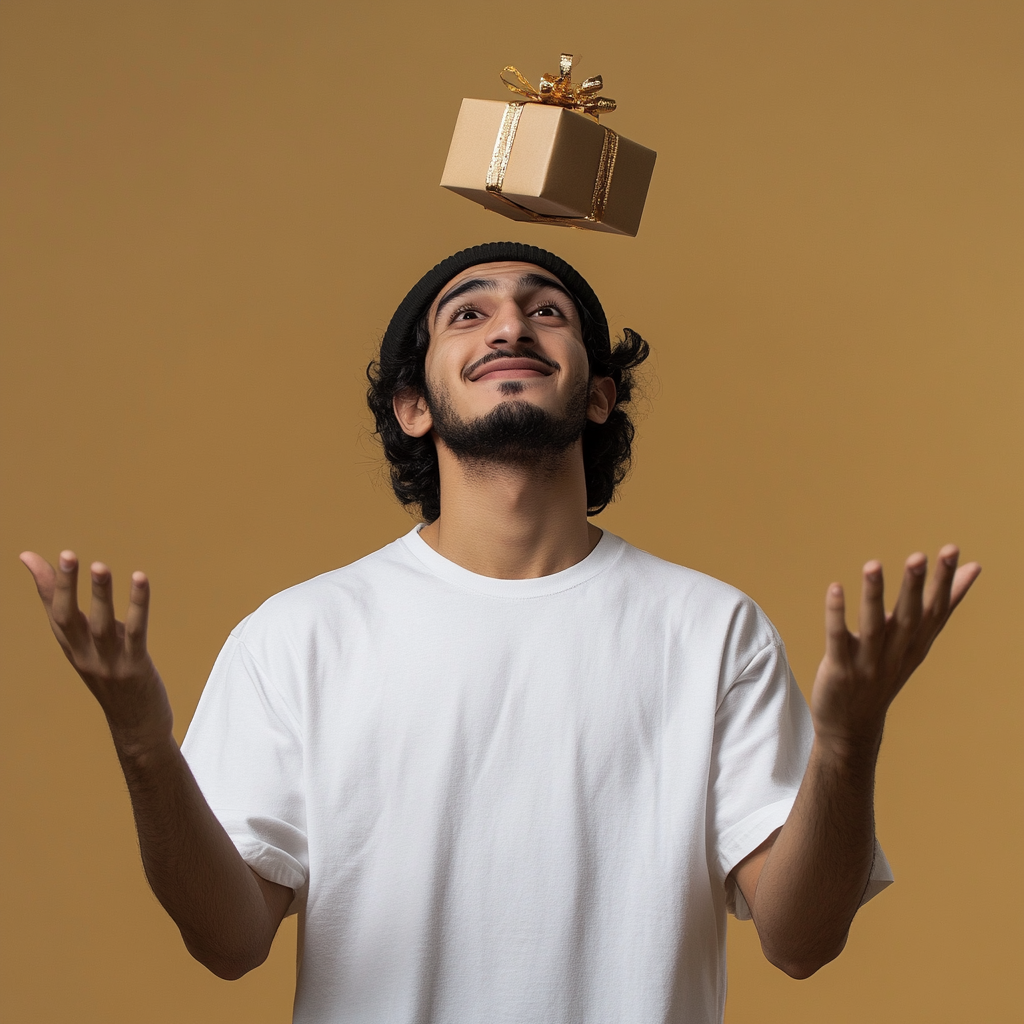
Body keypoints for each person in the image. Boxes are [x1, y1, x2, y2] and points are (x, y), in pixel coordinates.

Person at [21, 241, 980, 1024]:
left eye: (546, 309)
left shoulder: (711, 629)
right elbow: (229, 943)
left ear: (598, 395)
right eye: (468, 313)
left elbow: (801, 943)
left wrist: (849, 745)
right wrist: (146, 747)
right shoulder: (301, 634)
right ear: (413, 405)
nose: (511, 324)